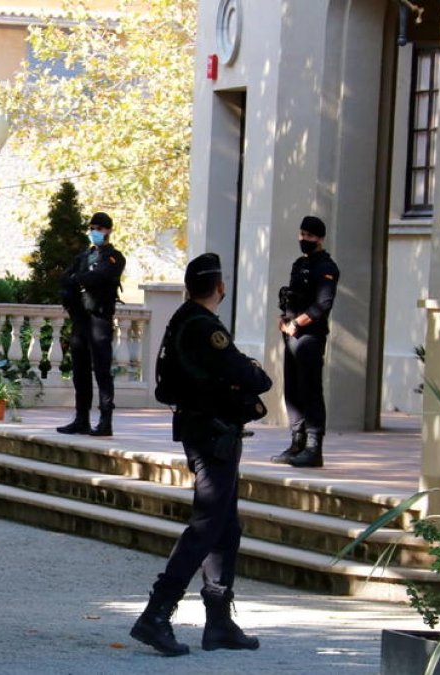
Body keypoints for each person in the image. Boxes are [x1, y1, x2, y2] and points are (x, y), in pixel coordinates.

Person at [130, 253, 272, 657]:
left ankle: (219, 620)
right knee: (207, 525)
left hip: (204, 430)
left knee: (226, 527)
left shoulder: (181, 318)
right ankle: (157, 614)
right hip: (213, 435)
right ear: (219, 287)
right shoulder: (203, 325)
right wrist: (251, 373)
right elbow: (251, 376)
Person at [273, 216, 339, 468]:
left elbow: (322, 304)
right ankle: (297, 441)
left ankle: (314, 446)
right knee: (292, 389)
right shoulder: (299, 264)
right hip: (291, 333)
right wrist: (284, 318)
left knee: (310, 389)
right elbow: (293, 297)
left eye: (310, 236)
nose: (304, 240)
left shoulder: (326, 267)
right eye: (302, 234)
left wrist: (297, 323)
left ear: (320, 238)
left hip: (309, 336)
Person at [56, 212, 126, 437]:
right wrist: (78, 279)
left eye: (100, 228)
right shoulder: (84, 256)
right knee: (80, 371)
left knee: (102, 371)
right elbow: (67, 278)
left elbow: (100, 277)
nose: (95, 231)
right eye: (92, 227)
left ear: (109, 230)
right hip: (81, 319)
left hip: (99, 319)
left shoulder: (114, 257)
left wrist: (80, 278)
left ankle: (106, 420)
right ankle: (81, 419)